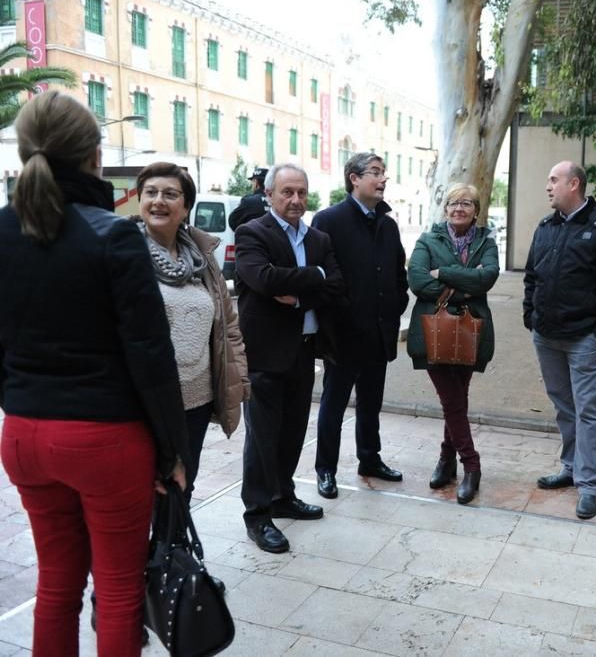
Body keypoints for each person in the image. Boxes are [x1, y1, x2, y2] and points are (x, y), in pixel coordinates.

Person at [0, 90, 188, 655]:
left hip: (24, 433)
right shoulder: (114, 235)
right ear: (93, 157)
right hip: (105, 439)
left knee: (56, 582)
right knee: (118, 588)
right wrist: (171, 450)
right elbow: (150, 355)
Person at [235, 163, 345, 554]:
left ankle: (283, 496)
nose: (296, 200)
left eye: (302, 192)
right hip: (264, 353)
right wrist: (312, 278)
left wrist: (298, 291)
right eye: (287, 192)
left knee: (293, 430)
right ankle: (258, 514)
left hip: (304, 349)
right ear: (269, 195)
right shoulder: (252, 233)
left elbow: (334, 285)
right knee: (262, 438)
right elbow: (261, 279)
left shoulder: (317, 238)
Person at [523, 161, 596, 520]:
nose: (548, 186)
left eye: (553, 180)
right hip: (547, 336)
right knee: (564, 407)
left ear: (575, 184)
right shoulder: (545, 227)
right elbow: (531, 276)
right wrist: (531, 315)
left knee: (588, 410)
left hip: (584, 338)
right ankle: (571, 468)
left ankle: (589, 485)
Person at [136, 162, 250, 511]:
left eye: (170, 194)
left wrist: (238, 375)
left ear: (186, 207)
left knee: (181, 491)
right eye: (150, 193)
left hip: (197, 400)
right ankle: (148, 564)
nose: (159, 201)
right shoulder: (125, 254)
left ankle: (171, 561)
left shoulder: (201, 257)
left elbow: (228, 324)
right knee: (145, 493)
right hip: (147, 404)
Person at [311, 152, 408, 500]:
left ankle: (370, 459)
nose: (382, 180)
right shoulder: (329, 220)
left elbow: (399, 271)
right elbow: (320, 277)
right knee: (334, 406)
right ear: (354, 178)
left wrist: (398, 303)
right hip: (342, 336)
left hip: (379, 333)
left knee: (371, 403)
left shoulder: (387, 224)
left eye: (384, 174)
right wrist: (338, 318)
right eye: (376, 173)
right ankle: (326, 470)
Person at [406, 183, 500, 504]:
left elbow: (487, 278)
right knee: (452, 400)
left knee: (458, 397)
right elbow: (418, 280)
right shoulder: (427, 239)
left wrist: (443, 272)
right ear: (445, 208)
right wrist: (464, 285)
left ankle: (447, 461)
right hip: (435, 332)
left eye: (466, 203)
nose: (459, 208)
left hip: (471, 331)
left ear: (476, 210)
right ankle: (471, 466)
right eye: (453, 203)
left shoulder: (486, 241)